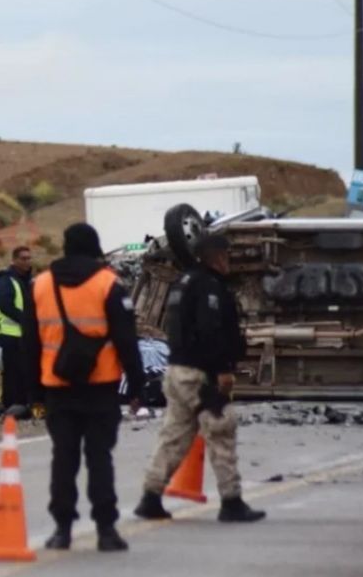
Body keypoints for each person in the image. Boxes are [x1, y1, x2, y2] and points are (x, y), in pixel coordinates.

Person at [134, 235, 266, 524]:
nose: (229, 260)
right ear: (216, 256)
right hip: (200, 374)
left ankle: (150, 497)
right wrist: (222, 369)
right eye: (226, 255)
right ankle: (231, 501)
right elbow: (211, 331)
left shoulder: (184, 283)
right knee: (221, 431)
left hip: (178, 371)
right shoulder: (209, 287)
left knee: (174, 437)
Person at [30, 223, 145, 552]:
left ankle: (62, 530)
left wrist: (34, 392)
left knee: (63, 459)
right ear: (95, 248)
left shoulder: (40, 285)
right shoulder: (109, 285)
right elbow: (127, 341)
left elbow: (30, 344)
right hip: (100, 388)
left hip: (58, 387)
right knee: (99, 458)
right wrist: (137, 385)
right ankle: (106, 530)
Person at [0, 246, 36, 415]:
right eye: (23, 258)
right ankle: (11, 407)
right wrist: (26, 320)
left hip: (25, 336)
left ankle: (25, 405)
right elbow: (6, 305)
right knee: (12, 374)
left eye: (29, 258)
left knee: (26, 373)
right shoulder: (7, 280)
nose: (27, 262)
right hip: (10, 336)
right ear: (14, 260)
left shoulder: (28, 281)